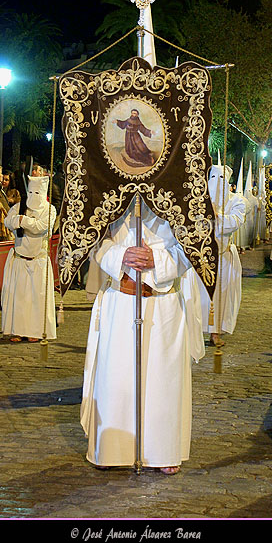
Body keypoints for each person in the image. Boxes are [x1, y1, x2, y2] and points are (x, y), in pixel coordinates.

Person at [80, 200, 206, 475]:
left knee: (162, 379)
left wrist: (157, 260)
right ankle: (114, 448)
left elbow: (193, 248)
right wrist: (122, 255)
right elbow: (94, 240)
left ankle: (162, 451)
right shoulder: (111, 195)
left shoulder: (179, 198)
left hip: (163, 303)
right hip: (121, 298)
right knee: (117, 377)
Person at [1, 175, 57, 342]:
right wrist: (17, 220)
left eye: (37, 192)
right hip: (19, 257)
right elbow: (8, 221)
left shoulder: (49, 209)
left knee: (36, 297)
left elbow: (42, 227)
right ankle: (17, 330)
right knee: (19, 297)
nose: (34, 195)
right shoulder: (19, 207)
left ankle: (35, 331)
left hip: (38, 259)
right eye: (31, 191)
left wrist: (23, 221)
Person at [205, 163, 246, 347]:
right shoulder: (200, 200)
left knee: (221, 296)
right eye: (213, 178)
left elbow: (234, 222)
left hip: (225, 258)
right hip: (203, 256)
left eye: (221, 179)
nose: (217, 183)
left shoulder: (237, 201)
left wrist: (216, 217)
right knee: (201, 295)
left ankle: (216, 332)